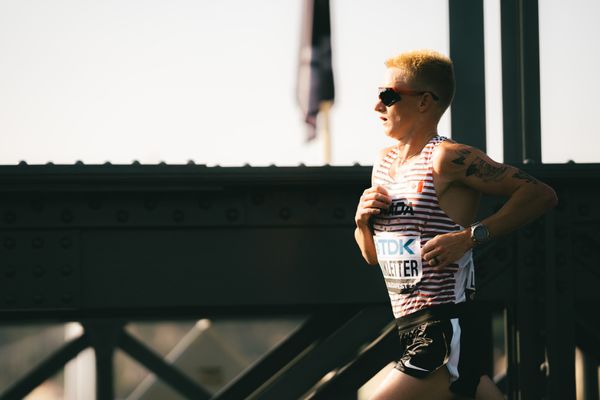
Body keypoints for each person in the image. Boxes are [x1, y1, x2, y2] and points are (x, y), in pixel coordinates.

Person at [354, 49, 557, 400]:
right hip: (407, 327)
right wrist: (361, 223)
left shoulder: (447, 158)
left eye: (388, 97)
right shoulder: (383, 164)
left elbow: (540, 194)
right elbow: (373, 257)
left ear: (424, 102)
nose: (377, 107)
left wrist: (470, 237)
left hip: (445, 327)